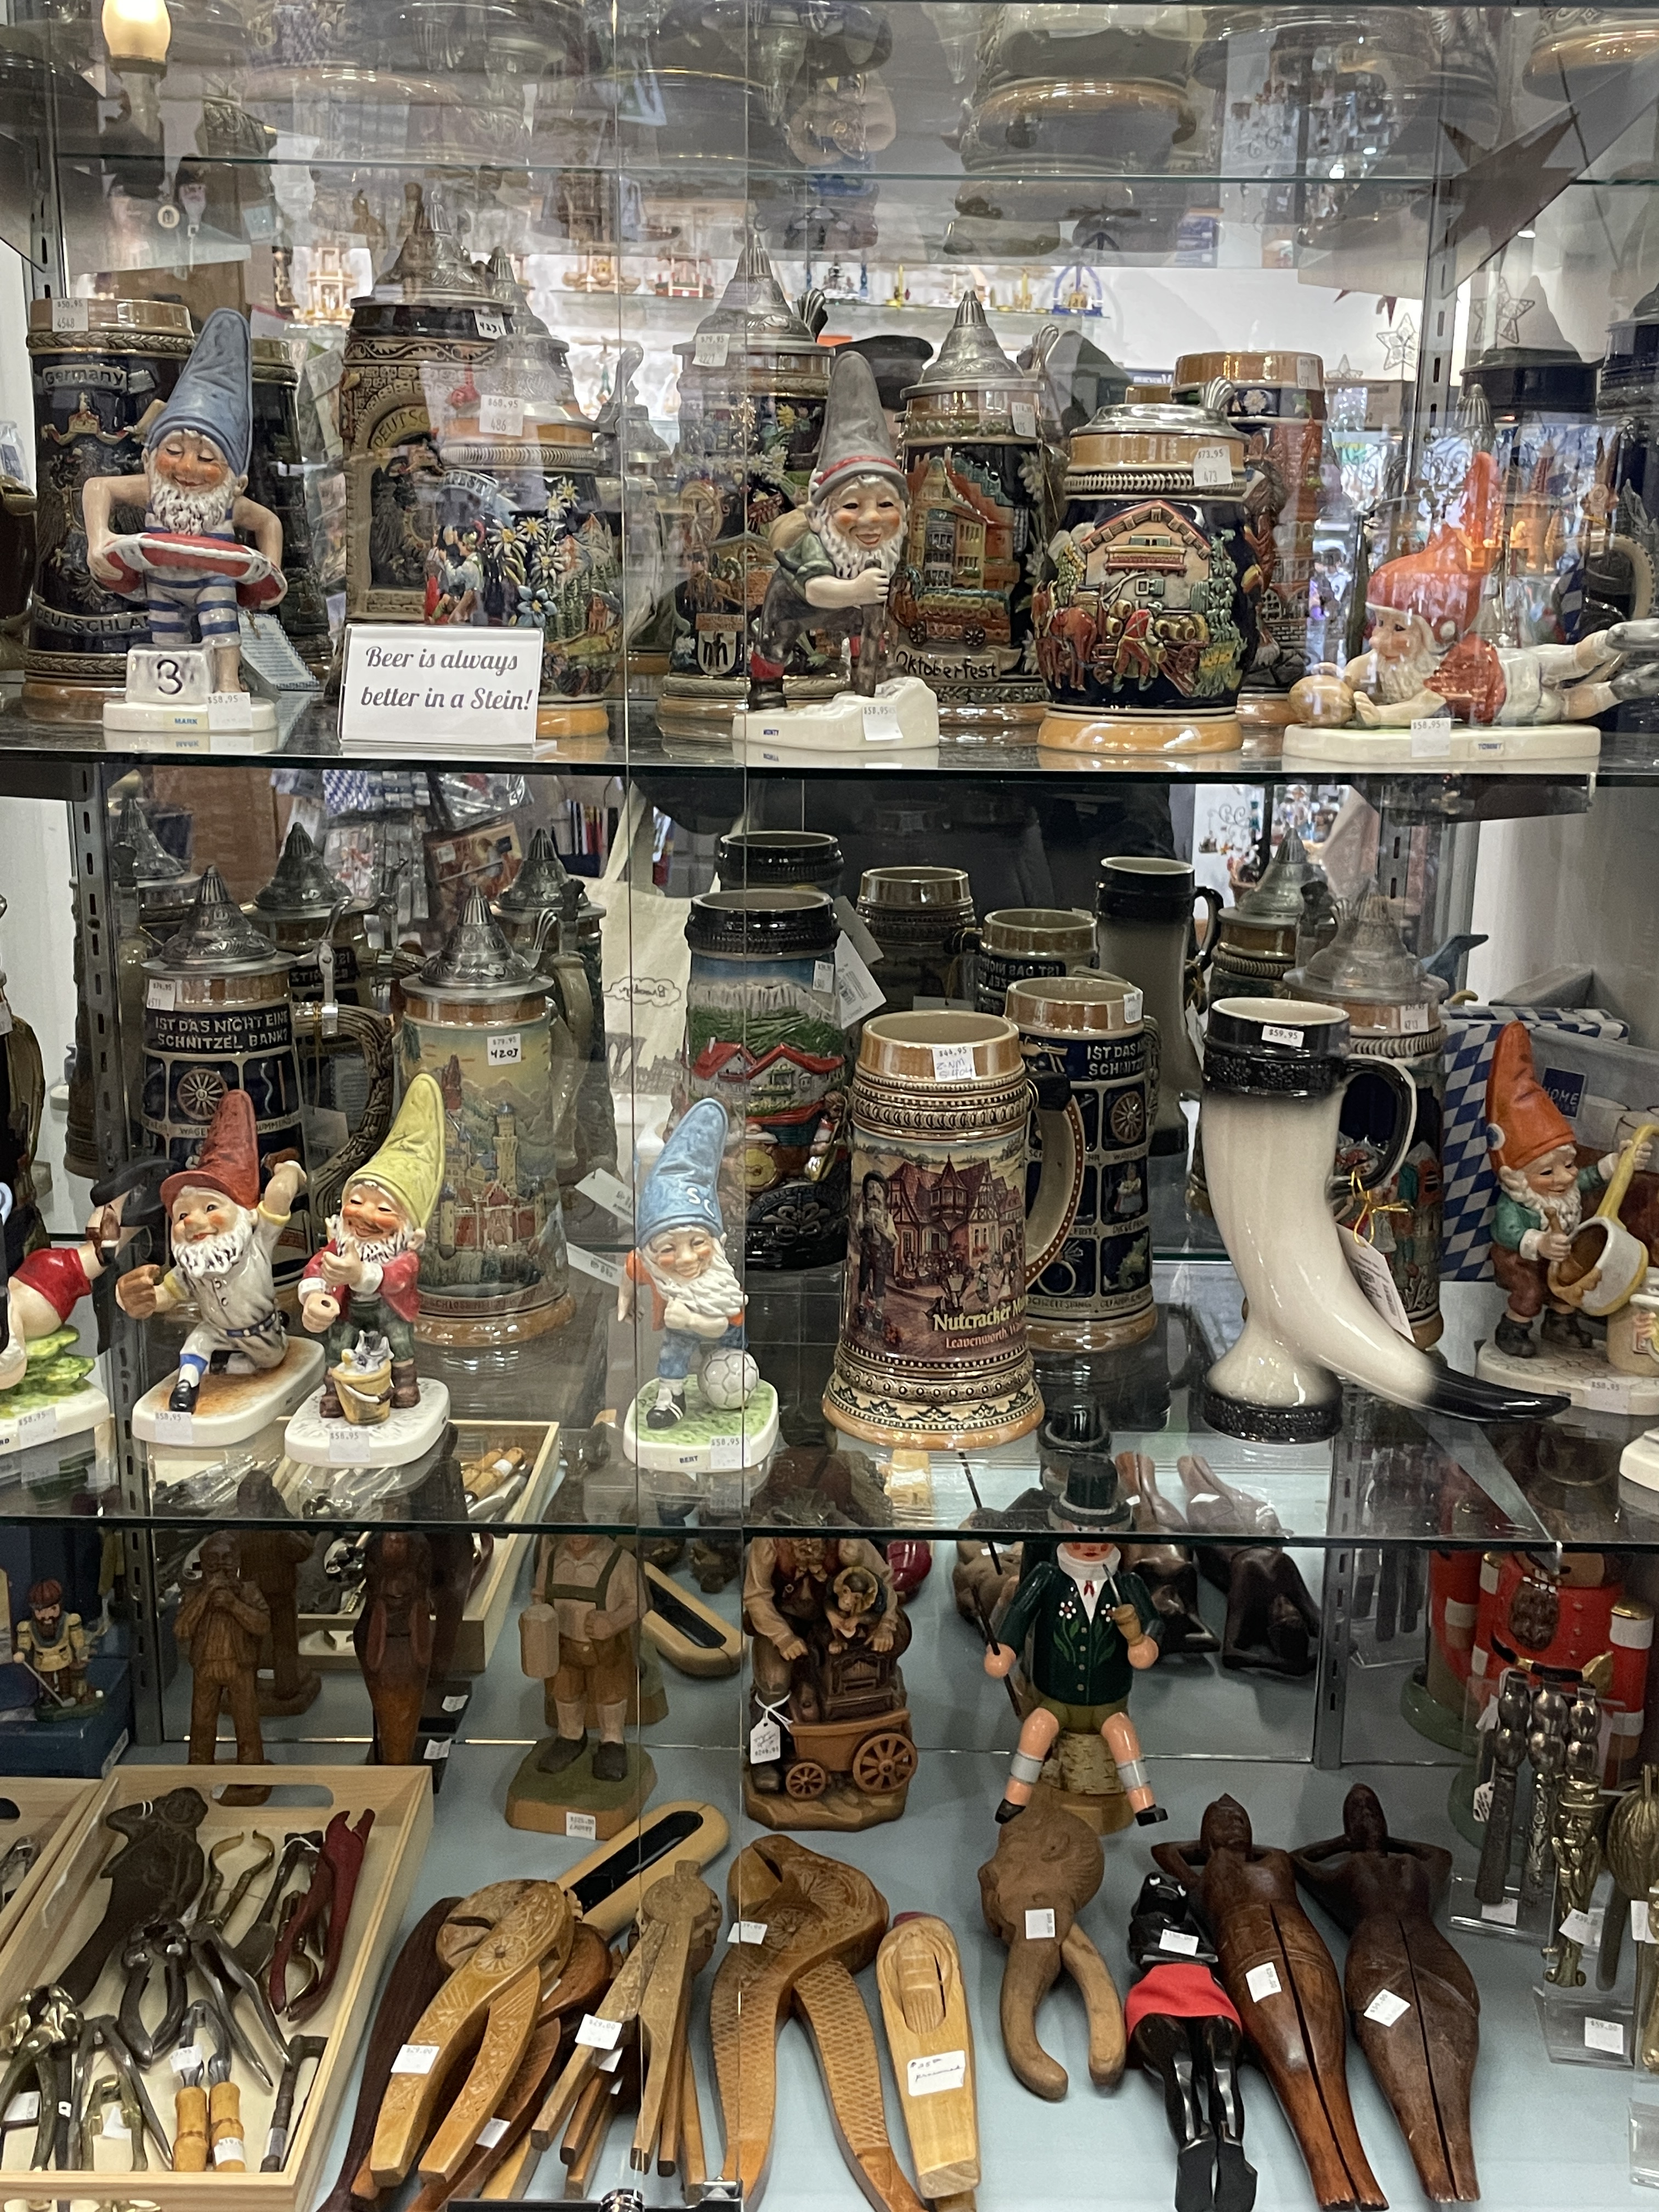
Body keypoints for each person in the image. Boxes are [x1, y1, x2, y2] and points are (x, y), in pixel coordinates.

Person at [81, 308, 283, 695]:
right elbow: (97, 487)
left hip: (214, 579)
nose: (187, 467)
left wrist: (268, 572)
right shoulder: (153, 489)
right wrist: (99, 539)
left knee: (222, 625)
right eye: (173, 451)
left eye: (206, 459)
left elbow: (268, 523)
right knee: (166, 636)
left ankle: (227, 683)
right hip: (161, 582)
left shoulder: (228, 504)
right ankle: (173, 691)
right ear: (149, 458)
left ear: (236, 482)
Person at [985, 1443, 1165, 1826]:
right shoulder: (1048, 1578)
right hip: (1056, 1697)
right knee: (1036, 1729)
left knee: (1123, 1734)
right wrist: (1006, 1650)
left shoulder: (1126, 1585)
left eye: (1102, 1532)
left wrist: (1144, 1643)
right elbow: (1020, 1613)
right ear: (1063, 1527)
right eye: (1081, 1531)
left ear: (1117, 1531)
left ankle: (1144, 1803)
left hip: (1108, 1700)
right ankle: (1016, 1797)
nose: (1091, 1543)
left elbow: (1154, 1623)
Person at [115, 1089, 305, 1414]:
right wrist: (135, 1298)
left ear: (245, 1215)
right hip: (215, 1330)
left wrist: (288, 1170)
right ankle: (187, 1388)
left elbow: (278, 1198)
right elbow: (165, 1296)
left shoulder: (256, 1244)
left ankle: (229, 1364)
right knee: (195, 1345)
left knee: (269, 1361)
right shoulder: (193, 1269)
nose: (192, 1222)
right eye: (182, 1215)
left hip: (261, 1336)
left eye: (211, 1207)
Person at [747, 349, 907, 708]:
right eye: (852, 506)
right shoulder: (817, 547)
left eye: (885, 505)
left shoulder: (884, 550)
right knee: (776, 640)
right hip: (797, 603)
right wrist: (856, 589)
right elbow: (816, 590)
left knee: (867, 626)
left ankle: (870, 674)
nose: (872, 519)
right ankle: (766, 686)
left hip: (853, 606)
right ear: (822, 515)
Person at [298, 1073, 443, 1417]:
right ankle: (334, 1391)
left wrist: (359, 1273)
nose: (365, 1215)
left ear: (406, 1225)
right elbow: (317, 1267)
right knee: (338, 1343)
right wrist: (314, 1297)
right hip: (349, 1309)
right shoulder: (340, 1245)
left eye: (383, 1209)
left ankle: (405, 1384)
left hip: (389, 1309)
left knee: (401, 1341)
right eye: (357, 1202)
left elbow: (397, 1279)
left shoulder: (405, 1255)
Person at [1484, 1020, 1620, 1359]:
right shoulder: (1517, 1202)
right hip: (1521, 1261)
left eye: (1568, 1164)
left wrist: (1617, 1162)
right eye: (1547, 1172)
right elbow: (1507, 1232)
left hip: (1561, 1253)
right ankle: (1513, 1329)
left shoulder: (1568, 1188)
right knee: (1530, 1293)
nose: (1563, 1178)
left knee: (1569, 1283)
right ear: (1518, 1176)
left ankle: (1560, 1324)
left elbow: (1588, 1178)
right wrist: (1540, 1243)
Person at [619, 1098, 751, 1429]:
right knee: (675, 1349)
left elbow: (719, 1324)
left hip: (723, 1325)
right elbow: (631, 1269)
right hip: (680, 1324)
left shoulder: (721, 1284)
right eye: (668, 1248)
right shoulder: (650, 1264)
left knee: (732, 1347)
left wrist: (691, 1318)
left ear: (717, 1242)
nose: (687, 1259)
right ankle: (671, 1396)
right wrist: (627, 1298)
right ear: (651, 1252)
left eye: (697, 1243)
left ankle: (736, 1379)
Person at [173, 1532, 269, 1768]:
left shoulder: (248, 1592)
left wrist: (234, 1605)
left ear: (237, 1561)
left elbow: (263, 1625)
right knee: (202, 1723)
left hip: (239, 1666)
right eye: (213, 1559)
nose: (220, 1565)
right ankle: (200, 1772)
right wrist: (206, 1595)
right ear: (203, 1562)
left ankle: (251, 1772)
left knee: (247, 1723)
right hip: (205, 1667)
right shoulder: (194, 1594)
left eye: (227, 1558)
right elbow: (182, 1630)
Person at [14, 1577, 98, 1709]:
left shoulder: (70, 1621)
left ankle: (65, 1695)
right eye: (40, 1611)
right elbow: (24, 1643)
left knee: (65, 1678)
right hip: (43, 1661)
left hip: (63, 1658)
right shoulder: (27, 1627)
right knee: (47, 1681)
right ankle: (48, 1699)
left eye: (52, 1609)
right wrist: (22, 1652)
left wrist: (82, 1653)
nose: (47, 1616)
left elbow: (78, 1641)